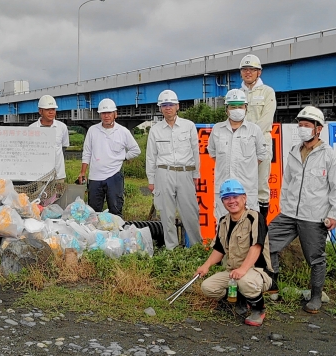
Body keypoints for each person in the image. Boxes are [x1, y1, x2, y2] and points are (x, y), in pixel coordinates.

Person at [268, 106, 336, 314]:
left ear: (318, 129)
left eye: (307, 125)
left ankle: (316, 296)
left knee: (316, 258)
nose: (302, 129)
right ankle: (272, 284)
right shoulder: (294, 151)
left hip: (314, 216)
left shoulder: (328, 155)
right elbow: (287, 182)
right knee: (266, 241)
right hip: (289, 213)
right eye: (300, 125)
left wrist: (333, 215)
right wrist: (285, 205)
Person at [195, 179, 273, 327]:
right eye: (226, 198)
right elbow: (219, 249)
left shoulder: (255, 217)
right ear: (223, 202)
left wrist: (243, 269)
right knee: (208, 286)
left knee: (245, 281)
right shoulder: (224, 221)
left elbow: (256, 247)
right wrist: (205, 266)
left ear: (244, 198)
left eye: (235, 197)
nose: (231, 201)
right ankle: (239, 300)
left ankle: (258, 309)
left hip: (257, 271)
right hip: (233, 272)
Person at [145, 90, 202, 249]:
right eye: (164, 105)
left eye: (170, 104)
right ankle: (172, 249)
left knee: (190, 213)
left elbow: (195, 152)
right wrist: (151, 180)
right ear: (160, 108)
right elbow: (151, 156)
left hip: (185, 173)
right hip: (164, 173)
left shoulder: (188, 126)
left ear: (177, 106)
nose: (167, 108)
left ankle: (196, 248)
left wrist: (196, 175)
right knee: (166, 214)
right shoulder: (155, 129)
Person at [207, 89, 268, 220]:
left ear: (246, 108)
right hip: (224, 189)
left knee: (249, 226)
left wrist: (248, 166)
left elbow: (261, 155)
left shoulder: (254, 130)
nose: (237, 109)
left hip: (246, 189)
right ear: (226, 109)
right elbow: (212, 153)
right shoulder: (217, 129)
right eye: (233, 106)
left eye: (240, 106)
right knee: (223, 225)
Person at [78, 99, 141, 216]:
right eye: (103, 113)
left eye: (109, 113)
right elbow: (87, 152)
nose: (106, 116)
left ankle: (116, 233)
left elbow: (136, 150)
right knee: (93, 212)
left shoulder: (123, 131)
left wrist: (123, 157)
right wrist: (83, 172)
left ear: (115, 114)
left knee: (116, 210)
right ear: (100, 115)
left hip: (114, 176)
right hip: (95, 177)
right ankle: (95, 234)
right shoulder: (93, 130)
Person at [239, 54, 277, 216]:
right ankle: (243, 227)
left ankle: (261, 229)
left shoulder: (268, 92)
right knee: (241, 186)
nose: (248, 72)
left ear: (259, 72)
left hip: (261, 144)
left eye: (252, 70)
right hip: (240, 146)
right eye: (245, 69)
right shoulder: (236, 93)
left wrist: (250, 137)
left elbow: (266, 119)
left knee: (261, 187)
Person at [28, 95, 70, 184]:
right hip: (39, 176)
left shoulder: (62, 127)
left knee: (59, 197)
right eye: (48, 110)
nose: (51, 112)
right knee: (40, 197)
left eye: (53, 109)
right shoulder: (31, 128)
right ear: (40, 111)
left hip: (58, 175)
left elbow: (64, 147)